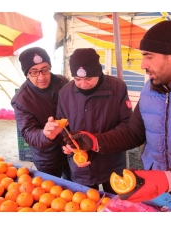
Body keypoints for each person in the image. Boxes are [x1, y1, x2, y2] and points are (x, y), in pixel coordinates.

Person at [63, 21, 171, 211]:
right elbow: (133, 133)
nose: (143, 65)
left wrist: (168, 179)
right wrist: (94, 141)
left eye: (148, 56)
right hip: (155, 193)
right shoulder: (151, 88)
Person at [54, 48, 133, 194]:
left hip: (112, 162)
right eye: (78, 80)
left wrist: (97, 141)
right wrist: (66, 144)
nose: (83, 84)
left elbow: (127, 125)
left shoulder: (118, 88)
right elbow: (62, 125)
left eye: (88, 78)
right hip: (81, 165)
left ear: (99, 72)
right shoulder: (65, 92)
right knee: (85, 206)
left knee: (116, 205)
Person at [11, 47, 71, 179]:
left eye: (45, 70)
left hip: (70, 148)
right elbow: (28, 133)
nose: (41, 77)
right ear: (27, 74)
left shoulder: (63, 82)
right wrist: (45, 134)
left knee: (75, 189)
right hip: (47, 157)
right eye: (34, 72)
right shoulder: (21, 100)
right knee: (49, 193)